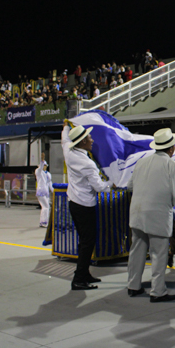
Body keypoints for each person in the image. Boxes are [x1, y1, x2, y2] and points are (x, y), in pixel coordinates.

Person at [126, 128, 175, 302]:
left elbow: (129, 186)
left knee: (136, 250)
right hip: (157, 214)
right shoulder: (172, 165)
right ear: (171, 149)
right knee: (158, 254)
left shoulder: (141, 162)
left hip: (136, 213)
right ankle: (158, 291)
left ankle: (133, 286)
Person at [62, 124, 113, 290]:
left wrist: (65, 126)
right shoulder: (87, 163)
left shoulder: (69, 152)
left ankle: (84, 273)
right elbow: (99, 187)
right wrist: (113, 183)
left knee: (84, 241)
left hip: (74, 202)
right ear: (83, 142)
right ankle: (78, 279)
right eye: (89, 138)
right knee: (87, 242)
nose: (92, 140)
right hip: (85, 206)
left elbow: (65, 138)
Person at [34, 153, 54, 228]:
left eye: (45, 165)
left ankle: (44, 221)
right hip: (41, 191)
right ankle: (43, 222)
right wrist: (42, 160)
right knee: (46, 206)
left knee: (45, 207)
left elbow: (50, 184)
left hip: (46, 193)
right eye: (43, 165)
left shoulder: (48, 174)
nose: (44, 167)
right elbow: (40, 168)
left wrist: (54, 191)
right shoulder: (38, 172)